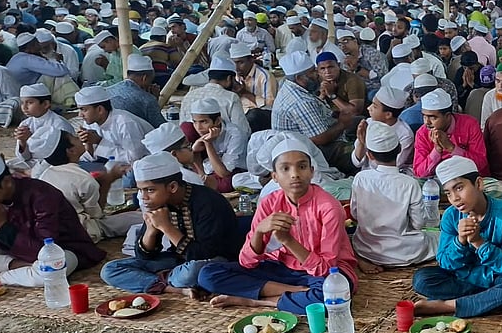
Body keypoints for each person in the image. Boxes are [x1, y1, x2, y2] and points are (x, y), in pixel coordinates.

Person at [195, 138, 358, 312]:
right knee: (208, 275)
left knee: (335, 298)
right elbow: (246, 262)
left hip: (322, 275)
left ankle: (256, 300)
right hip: (280, 269)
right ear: (275, 177)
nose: (294, 174)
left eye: (302, 167)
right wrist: (258, 232)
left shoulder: (328, 206)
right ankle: (295, 294)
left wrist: (288, 240)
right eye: (285, 169)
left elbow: (325, 269)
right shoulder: (268, 203)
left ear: (311, 172)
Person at [411, 156, 502, 316]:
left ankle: (447, 306)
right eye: (448, 193)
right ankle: (499, 300)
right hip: (465, 277)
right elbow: (444, 262)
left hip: (498, 277)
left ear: (479, 184)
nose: (454, 199)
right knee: (421, 280)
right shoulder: (451, 216)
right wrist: (460, 242)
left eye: (459, 188)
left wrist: (479, 242)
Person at [99, 152, 239, 295]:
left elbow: (202, 255)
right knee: (110, 270)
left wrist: (166, 227)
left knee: (193, 272)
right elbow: (143, 257)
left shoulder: (208, 203)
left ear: (172, 187)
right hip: (176, 261)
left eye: (150, 190)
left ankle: (156, 280)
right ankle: (169, 286)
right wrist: (151, 231)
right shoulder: (158, 203)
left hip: (214, 261)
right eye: (141, 190)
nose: (144, 197)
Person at [0, 153, 105, 287]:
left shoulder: (42, 196)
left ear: (6, 182)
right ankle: (16, 265)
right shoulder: (0, 200)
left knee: (49, 274)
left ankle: (3, 277)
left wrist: (2, 226)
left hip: (66, 250)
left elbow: (45, 250)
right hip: (19, 253)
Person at [350, 121, 436, 273]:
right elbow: (418, 224)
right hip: (405, 253)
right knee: (441, 237)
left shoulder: (361, 178)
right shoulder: (409, 183)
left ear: (369, 155)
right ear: (400, 149)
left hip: (367, 250)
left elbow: (355, 214)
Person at [272, 51, 357, 174]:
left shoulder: (291, 86)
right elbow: (321, 138)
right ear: (300, 78)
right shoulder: (300, 102)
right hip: (306, 150)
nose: (317, 74)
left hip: (314, 136)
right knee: (356, 152)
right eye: (312, 72)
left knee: (359, 121)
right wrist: (342, 124)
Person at [414, 87, 490, 177]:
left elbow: (481, 164)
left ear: (447, 116)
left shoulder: (470, 124)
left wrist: (451, 148)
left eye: (433, 117)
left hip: (470, 178)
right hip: (439, 180)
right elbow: (419, 173)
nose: (427, 122)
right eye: (424, 116)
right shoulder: (422, 133)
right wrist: (437, 150)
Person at [74, 85, 151, 164]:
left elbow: (135, 159)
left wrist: (99, 141)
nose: (80, 115)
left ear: (100, 110)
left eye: (83, 109)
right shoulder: (90, 122)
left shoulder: (125, 123)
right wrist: (88, 143)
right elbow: (90, 157)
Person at [187, 96, 248, 192]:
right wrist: (194, 150)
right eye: (195, 122)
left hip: (231, 170)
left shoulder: (235, 134)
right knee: (186, 128)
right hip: (208, 168)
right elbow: (189, 158)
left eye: (204, 122)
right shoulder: (197, 130)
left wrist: (208, 143)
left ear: (218, 121)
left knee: (226, 184)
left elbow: (223, 173)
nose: (198, 127)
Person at [179, 57, 251, 135]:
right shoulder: (231, 97)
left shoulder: (189, 95)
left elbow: (183, 127)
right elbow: (243, 130)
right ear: (229, 78)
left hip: (191, 143)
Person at [352, 86, 415, 174]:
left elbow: (394, 165)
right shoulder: (369, 123)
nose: (368, 108)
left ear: (388, 114)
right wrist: (361, 143)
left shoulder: (405, 134)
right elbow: (357, 162)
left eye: (374, 106)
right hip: (366, 175)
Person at [13, 83, 74, 170]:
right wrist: (23, 142)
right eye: (22, 102)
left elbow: (60, 156)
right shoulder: (25, 124)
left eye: (30, 102)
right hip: (33, 162)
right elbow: (24, 158)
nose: (24, 107)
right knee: (8, 166)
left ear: (45, 104)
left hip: (53, 164)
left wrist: (31, 139)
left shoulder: (59, 124)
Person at [107, 54, 165, 127]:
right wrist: (154, 100)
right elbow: (161, 127)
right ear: (144, 78)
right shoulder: (147, 100)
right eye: (151, 81)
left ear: (128, 74)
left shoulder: (109, 90)